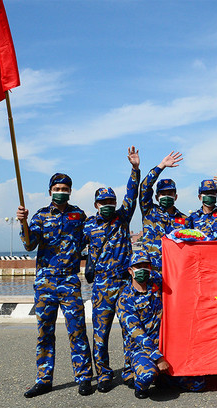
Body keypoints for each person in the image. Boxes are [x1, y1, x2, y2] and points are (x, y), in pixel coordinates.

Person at [17, 173, 93, 398]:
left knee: (77, 331)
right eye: (57, 188)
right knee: (44, 334)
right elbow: (29, 245)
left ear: (70, 191)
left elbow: (90, 239)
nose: (61, 191)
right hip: (45, 284)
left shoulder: (78, 215)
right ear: (50, 191)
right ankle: (43, 380)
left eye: (65, 188)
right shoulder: (40, 216)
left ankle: (84, 378)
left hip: (69, 282)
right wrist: (23, 222)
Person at [82, 146, 140, 392]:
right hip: (102, 286)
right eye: (103, 202)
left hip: (124, 284)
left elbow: (132, 194)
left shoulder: (122, 217)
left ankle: (128, 371)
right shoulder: (87, 227)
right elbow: (67, 246)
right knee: (100, 333)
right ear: (96, 204)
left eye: (111, 202)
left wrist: (135, 169)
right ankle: (103, 374)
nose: (108, 205)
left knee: (129, 329)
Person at [117, 250, 205, 399]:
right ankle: (140, 383)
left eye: (146, 266)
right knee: (147, 376)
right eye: (138, 266)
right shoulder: (125, 299)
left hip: (166, 346)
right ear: (130, 271)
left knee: (198, 383)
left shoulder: (156, 283)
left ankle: (164, 378)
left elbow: (178, 274)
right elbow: (137, 334)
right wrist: (158, 358)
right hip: (142, 350)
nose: (143, 270)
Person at [139, 151, 187, 272]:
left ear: (175, 196)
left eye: (170, 193)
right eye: (163, 194)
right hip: (152, 272)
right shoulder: (149, 211)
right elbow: (144, 187)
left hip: (175, 272)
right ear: (156, 197)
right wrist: (161, 166)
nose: (166, 196)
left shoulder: (185, 220)